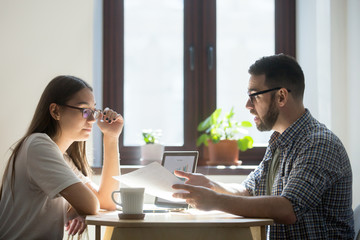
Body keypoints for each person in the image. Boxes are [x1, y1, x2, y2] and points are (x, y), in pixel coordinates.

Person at [172, 54, 354, 239]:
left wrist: (216, 201)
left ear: (281, 96)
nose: (248, 105)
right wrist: (211, 185)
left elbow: (287, 208)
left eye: (254, 96)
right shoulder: (279, 141)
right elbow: (249, 191)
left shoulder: (319, 144)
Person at [0, 75, 124, 239]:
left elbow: (108, 201)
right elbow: (92, 204)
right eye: (85, 111)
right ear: (55, 111)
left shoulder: (62, 158)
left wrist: (111, 137)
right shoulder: (38, 145)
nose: (93, 119)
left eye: (94, 111)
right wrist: (81, 205)